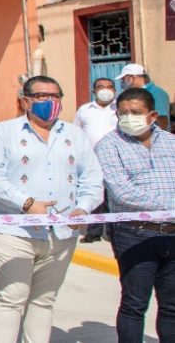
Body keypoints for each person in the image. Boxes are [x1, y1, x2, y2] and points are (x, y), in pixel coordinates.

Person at [0, 75, 104, 343]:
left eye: (55, 96)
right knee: (11, 297)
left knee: (45, 299)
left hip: (61, 234)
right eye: (41, 96)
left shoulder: (74, 135)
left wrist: (83, 208)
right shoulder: (4, 132)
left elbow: (92, 178)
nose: (50, 102)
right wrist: (26, 204)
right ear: (26, 101)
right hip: (13, 232)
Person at [95, 87, 175, 341]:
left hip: (172, 234)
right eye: (123, 113)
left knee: (172, 307)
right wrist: (171, 204)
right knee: (134, 304)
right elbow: (122, 193)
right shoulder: (109, 145)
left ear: (152, 115)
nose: (128, 117)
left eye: (136, 112)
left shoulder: (171, 142)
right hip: (134, 234)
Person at [73, 77, 118, 243]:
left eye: (109, 87)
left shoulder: (119, 109)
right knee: (94, 194)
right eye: (101, 87)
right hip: (91, 161)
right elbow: (76, 133)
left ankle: (114, 231)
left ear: (114, 90)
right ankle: (93, 232)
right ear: (94, 91)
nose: (105, 90)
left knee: (114, 196)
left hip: (115, 160)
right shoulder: (84, 110)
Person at [117, 63, 171, 131]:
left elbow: (162, 120)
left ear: (132, 77)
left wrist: (153, 139)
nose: (123, 83)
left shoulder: (156, 93)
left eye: (123, 79)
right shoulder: (135, 94)